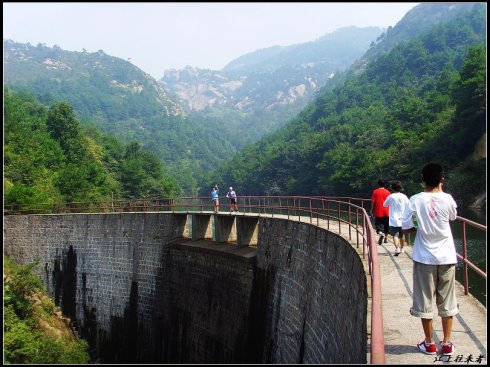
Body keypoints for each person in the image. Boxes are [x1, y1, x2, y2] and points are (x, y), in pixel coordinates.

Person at [402, 163, 458, 356]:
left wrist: (419, 226)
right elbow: (452, 217)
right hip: (447, 256)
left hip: (424, 257)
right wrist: (440, 190)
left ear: (422, 179)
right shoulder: (448, 199)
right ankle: (447, 343)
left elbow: (406, 227)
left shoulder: (415, 200)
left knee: (424, 300)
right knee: (447, 300)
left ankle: (429, 343)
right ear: (442, 179)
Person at [383, 181, 410, 256]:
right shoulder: (404, 196)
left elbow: (384, 205)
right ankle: (402, 248)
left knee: (395, 235)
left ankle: (397, 248)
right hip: (403, 219)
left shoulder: (390, 196)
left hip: (393, 220)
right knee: (402, 235)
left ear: (392, 188)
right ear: (400, 188)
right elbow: (409, 206)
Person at [370, 179, 390, 245]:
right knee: (386, 225)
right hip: (387, 211)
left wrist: (371, 209)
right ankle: (386, 239)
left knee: (378, 224)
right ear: (385, 185)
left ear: (378, 184)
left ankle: (380, 233)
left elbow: (373, 201)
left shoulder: (375, 191)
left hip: (378, 211)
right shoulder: (388, 192)